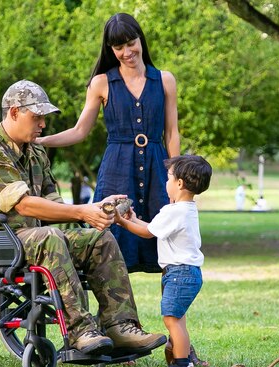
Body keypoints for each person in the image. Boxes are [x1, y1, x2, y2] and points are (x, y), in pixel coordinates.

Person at [0, 79, 166, 357]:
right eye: (37, 117)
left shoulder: (35, 152)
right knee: (51, 238)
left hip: (32, 237)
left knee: (99, 239)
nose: (43, 125)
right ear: (13, 112)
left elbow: (51, 201)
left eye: (43, 118)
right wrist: (81, 211)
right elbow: (24, 206)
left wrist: (97, 209)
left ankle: (120, 327)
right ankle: (80, 331)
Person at [36, 13, 180, 273]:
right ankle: (112, 314)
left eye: (130, 43)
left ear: (141, 40)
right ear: (110, 49)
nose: (127, 52)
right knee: (107, 246)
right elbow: (80, 131)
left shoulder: (165, 80)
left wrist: (176, 176)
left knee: (168, 246)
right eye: (119, 47)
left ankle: (170, 314)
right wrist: (41, 140)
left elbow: (172, 133)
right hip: (117, 171)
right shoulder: (101, 83)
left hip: (158, 170)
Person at [115, 155, 212, 367]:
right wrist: (134, 218)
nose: (165, 183)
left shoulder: (173, 211)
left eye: (168, 178)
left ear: (179, 183)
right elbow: (153, 227)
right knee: (178, 320)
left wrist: (123, 222)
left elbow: (147, 233)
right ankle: (184, 363)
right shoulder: (186, 209)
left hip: (179, 273)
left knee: (172, 320)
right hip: (187, 273)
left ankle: (181, 365)